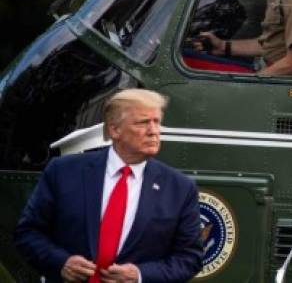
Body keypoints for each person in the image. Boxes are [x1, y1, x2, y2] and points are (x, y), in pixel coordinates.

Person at [14, 89, 202, 283]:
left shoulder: (180, 188)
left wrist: (139, 275)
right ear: (114, 130)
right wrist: (61, 262)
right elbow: (28, 233)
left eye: (157, 122)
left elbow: (189, 259)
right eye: (143, 122)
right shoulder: (63, 171)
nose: (154, 131)